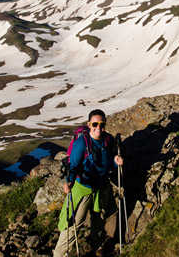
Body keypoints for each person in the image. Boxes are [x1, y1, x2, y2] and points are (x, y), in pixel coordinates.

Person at [54, 109, 123, 257]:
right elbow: (73, 165)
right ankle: (60, 254)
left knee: (99, 219)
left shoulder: (108, 139)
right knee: (73, 224)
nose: (98, 127)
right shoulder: (81, 144)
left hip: (101, 186)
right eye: (95, 124)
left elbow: (109, 161)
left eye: (101, 124)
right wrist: (69, 182)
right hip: (82, 187)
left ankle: (97, 248)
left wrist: (116, 162)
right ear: (89, 124)